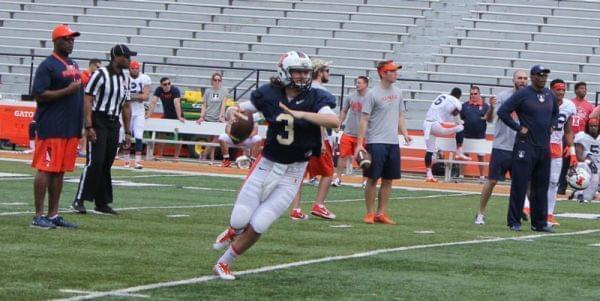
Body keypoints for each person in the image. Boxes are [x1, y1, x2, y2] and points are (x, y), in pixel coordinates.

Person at [211, 51, 339, 280]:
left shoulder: (316, 96)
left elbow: (333, 120)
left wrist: (301, 113)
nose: (302, 76)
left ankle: (223, 264)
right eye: (297, 71)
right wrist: (232, 112)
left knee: (260, 223)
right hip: (267, 162)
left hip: (294, 170)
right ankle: (234, 230)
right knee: (241, 218)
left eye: (305, 72)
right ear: (284, 71)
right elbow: (240, 108)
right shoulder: (270, 94)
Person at [70, 44, 135, 215]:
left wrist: (128, 131)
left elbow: (126, 105)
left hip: (114, 123)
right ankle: (79, 200)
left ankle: (101, 202)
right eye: (127, 57)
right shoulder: (100, 74)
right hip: (99, 119)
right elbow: (88, 99)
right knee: (95, 161)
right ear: (117, 57)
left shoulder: (125, 78)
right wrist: (89, 125)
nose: (130, 60)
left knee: (106, 163)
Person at [30, 24, 82, 229]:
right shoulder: (48, 65)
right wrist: (67, 91)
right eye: (67, 39)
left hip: (69, 127)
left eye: (72, 39)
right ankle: (38, 215)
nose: (70, 42)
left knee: (59, 171)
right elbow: (39, 94)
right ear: (56, 41)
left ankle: (53, 214)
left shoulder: (73, 63)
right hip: (51, 126)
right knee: (45, 168)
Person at [497, 65, 558, 232]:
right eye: (540, 75)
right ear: (532, 76)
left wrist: (552, 125)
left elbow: (555, 113)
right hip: (526, 145)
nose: (543, 78)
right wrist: (518, 127)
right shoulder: (523, 94)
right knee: (520, 184)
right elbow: (503, 111)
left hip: (543, 146)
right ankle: (514, 221)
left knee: (541, 186)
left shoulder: (549, 94)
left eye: (545, 75)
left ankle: (539, 223)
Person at [355, 60, 411, 225]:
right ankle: (370, 213)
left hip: (392, 142)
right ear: (383, 73)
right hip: (376, 141)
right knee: (372, 178)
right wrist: (360, 143)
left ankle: (381, 213)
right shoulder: (372, 94)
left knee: (388, 179)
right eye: (392, 71)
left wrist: (405, 133)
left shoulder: (399, 92)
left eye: (396, 71)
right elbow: (364, 119)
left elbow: (400, 115)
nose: (396, 74)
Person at [474, 69, 528, 225]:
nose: (523, 81)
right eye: (520, 78)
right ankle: (480, 213)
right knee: (491, 181)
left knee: (522, 183)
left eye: (525, 78)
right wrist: (490, 107)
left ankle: (520, 211)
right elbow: (490, 119)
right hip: (502, 146)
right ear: (514, 80)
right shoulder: (503, 96)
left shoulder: (530, 98)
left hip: (521, 146)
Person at [523, 79, 576, 226]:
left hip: (556, 147)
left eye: (563, 89)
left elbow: (568, 130)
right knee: (531, 180)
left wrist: (572, 152)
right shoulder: (542, 102)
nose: (561, 92)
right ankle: (526, 207)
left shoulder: (569, 106)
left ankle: (549, 214)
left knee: (553, 183)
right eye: (558, 89)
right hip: (538, 144)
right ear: (551, 89)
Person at [289, 59, 337, 220]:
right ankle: (319, 205)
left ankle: (295, 208)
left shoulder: (305, 89)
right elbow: (320, 117)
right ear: (320, 72)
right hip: (315, 136)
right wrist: (322, 139)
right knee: (328, 172)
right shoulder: (318, 91)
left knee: (299, 173)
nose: (329, 74)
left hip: (300, 137)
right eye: (327, 71)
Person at [557, 81, 594, 194]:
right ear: (576, 90)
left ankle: (582, 189)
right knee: (564, 163)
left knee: (581, 163)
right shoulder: (569, 103)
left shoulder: (589, 106)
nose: (584, 90)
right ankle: (561, 187)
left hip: (580, 139)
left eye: (585, 88)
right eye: (582, 88)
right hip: (567, 136)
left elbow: (590, 123)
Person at [422, 88, 465, 182]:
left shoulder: (442, 96)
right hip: (435, 125)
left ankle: (429, 175)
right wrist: (459, 122)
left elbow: (444, 114)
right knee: (460, 127)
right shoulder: (454, 101)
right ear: (458, 96)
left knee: (429, 151)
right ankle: (459, 149)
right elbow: (455, 113)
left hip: (426, 124)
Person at [332, 76, 369, 187]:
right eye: (356, 83)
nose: (357, 84)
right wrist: (339, 123)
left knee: (364, 158)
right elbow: (344, 110)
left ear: (366, 84)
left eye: (359, 83)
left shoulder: (371, 97)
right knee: (342, 156)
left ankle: (365, 180)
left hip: (364, 134)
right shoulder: (351, 97)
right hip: (349, 132)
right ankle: (338, 178)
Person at [455, 86, 490, 183]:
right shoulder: (465, 106)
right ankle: (461, 176)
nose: (473, 95)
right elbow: (459, 118)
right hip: (466, 135)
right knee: (464, 155)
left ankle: (482, 177)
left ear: (479, 94)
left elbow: (489, 118)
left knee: (481, 157)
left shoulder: (485, 106)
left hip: (480, 136)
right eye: (471, 94)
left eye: (475, 94)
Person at [146, 77, 185, 160]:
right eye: (165, 84)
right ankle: (160, 155)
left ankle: (176, 156)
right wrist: (148, 115)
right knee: (161, 134)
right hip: (167, 115)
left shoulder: (175, 90)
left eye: (169, 83)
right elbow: (153, 102)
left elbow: (176, 103)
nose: (167, 86)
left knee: (179, 135)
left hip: (177, 114)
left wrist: (179, 117)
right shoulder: (159, 90)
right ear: (161, 85)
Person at [196, 72, 230, 164]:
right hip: (208, 117)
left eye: (219, 80)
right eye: (215, 80)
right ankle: (211, 159)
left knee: (217, 138)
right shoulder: (208, 91)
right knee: (211, 139)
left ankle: (204, 155)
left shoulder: (224, 91)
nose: (217, 82)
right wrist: (201, 116)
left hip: (217, 118)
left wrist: (221, 116)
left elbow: (223, 105)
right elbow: (204, 105)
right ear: (212, 81)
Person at [123, 60, 151, 169]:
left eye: (136, 68)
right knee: (126, 135)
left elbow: (145, 97)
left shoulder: (144, 78)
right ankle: (126, 161)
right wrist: (137, 96)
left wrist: (131, 96)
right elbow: (123, 96)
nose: (134, 70)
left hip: (139, 111)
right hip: (127, 110)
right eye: (132, 68)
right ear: (129, 69)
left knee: (139, 135)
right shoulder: (124, 78)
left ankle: (138, 162)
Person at [77, 58, 102, 157]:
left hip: (89, 104)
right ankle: (82, 149)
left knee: (87, 127)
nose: (98, 69)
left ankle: (83, 148)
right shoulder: (84, 76)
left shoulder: (92, 76)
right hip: (83, 104)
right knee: (84, 127)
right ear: (92, 65)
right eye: (97, 66)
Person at [572, 117, 600, 203]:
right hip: (585, 163)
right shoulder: (582, 136)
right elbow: (579, 156)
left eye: (595, 126)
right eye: (591, 126)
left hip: (598, 164)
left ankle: (584, 194)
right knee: (583, 166)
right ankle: (578, 192)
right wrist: (589, 162)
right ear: (587, 126)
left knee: (587, 197)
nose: (593, 128)